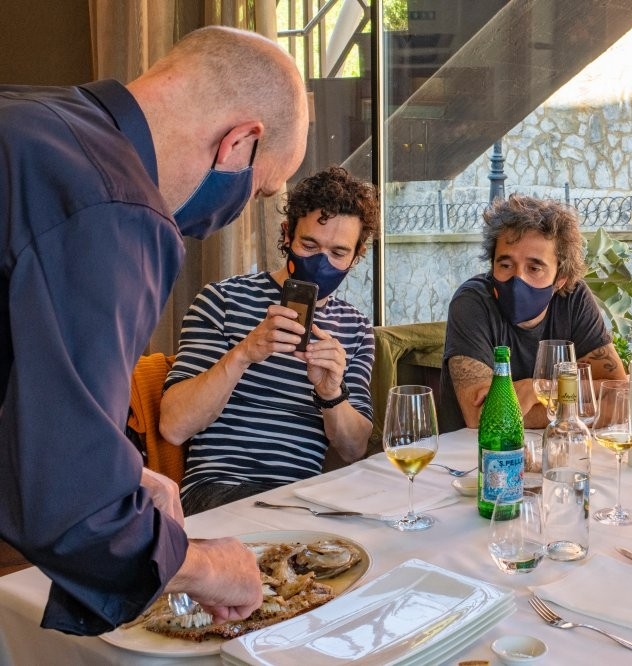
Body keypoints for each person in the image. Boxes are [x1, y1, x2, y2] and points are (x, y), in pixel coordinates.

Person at [0, 26, 309, 635]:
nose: (239, 211)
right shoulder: (115, 207)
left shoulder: (28, 120)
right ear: (239, 143)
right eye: (259, 190)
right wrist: (200, 564)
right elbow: (73, 510)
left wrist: (116, 468)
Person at [159, 166, 379, 515]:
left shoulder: (355, 328)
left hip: (302, 498)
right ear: (287, 233)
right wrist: (243, 354)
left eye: (338, 253)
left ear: (357, 254)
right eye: (309, 245)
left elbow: (353, 448)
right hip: (219, 488)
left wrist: (331, 393)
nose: (322, 262)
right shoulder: (222, 300)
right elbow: (173, 426)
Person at [439, 194, 626, 432]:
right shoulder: (472, 302)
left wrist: (539, 388)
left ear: (560, 279)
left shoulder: (573, 298)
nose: (518, 279)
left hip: (552, 452)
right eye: (505, 265)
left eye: (534, 268)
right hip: (474, 457)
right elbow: (482, 417)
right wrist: (575, 407)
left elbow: (619, 394)